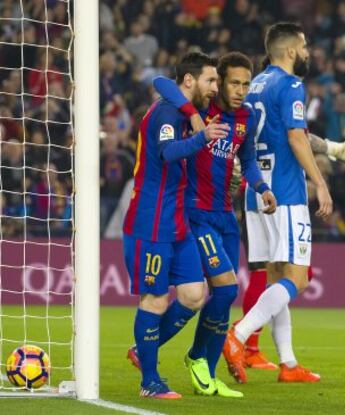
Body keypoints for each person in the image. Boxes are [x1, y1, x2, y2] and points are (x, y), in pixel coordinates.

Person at [146, 52, 276, 396]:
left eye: (246, 84)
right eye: (234, 82)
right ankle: (187, 357)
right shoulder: (202, 107)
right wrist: (192, 114)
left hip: (225, 216)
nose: (240, 90)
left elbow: (246, 160)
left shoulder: (245, 117)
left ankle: (200, 365)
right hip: (195, 213)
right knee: (224, 286)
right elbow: (160, 82)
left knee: (225, 293)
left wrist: (261, 187)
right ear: (218, 81)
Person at [223, 22, 333, 383]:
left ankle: (287, 364)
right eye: (304, 46)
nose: (307, 52)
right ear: (289, 51)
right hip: (285, 192)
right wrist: (320, 182)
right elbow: (297, 138)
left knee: (276, 278)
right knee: (297, 279)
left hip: (257, 194)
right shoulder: (291, 85)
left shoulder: (254, 85)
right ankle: (238, 335)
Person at [123, 51, 231, 399]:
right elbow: (168, 152)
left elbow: (161, 82)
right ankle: (150, 382)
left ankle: (141, 350)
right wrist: (203, 135)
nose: (215, 87)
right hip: (151, 221)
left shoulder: (185, 111)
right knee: (154, 299)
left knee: (193, 294)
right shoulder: (167, 112)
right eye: (210, 80)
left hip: (177, 222)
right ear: (189, 80)